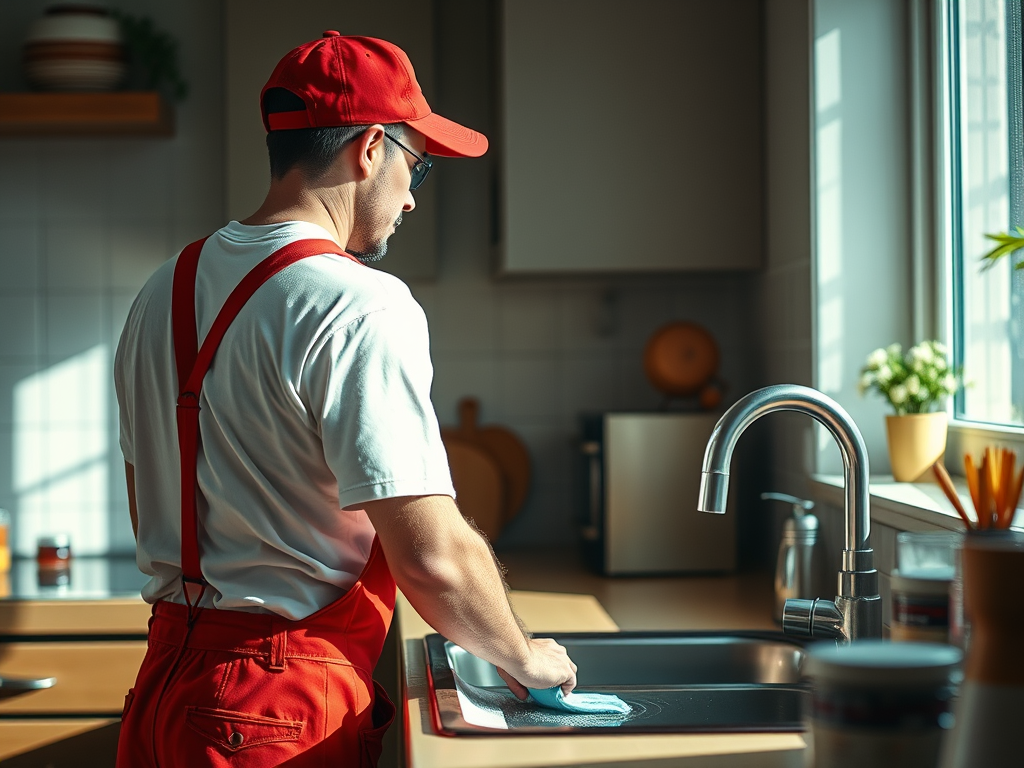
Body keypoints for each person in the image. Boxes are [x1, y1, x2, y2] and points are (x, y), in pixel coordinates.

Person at [114, 33, 576, 768]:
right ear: (369, 149)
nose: (412, 198)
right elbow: (433, 557)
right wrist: (525, 655)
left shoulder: (159, 290)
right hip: (277, 708)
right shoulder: (358, 304)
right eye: (415, 166)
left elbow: (152, 506)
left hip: (164, 689)